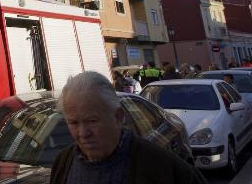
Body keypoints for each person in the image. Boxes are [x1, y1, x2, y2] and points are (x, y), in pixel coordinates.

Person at [50, 71, 208, 184]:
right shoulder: (63, 163)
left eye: (92, 121)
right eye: (74, 123)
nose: (83, 133)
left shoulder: (163, 167)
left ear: (118, 117)